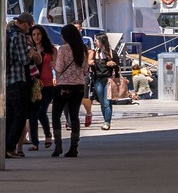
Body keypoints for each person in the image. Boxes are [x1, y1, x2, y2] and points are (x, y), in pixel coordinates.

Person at [51, 23, 88, 158]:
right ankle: (74, 147)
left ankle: (58, 146)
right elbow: (85, 69)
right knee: (74, 116)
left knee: (56, 115)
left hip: (64, 86)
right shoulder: (83, 48)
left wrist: (53, 64)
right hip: (78, 86)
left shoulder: (63, 49)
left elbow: (59, 68)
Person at [5, 11, 35, 159]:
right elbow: (24, 60)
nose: (29, 30)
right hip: (17, 80)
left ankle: (4, 146)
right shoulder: (20, 37)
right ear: (24, 24)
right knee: (20, 116)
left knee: (9, 116)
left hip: (5, 81)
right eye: (29, 27)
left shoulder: (7, 34)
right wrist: (31, 52)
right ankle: (10, 147)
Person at [27, 25, 57, 151]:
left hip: (48, 84)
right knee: (32, 114)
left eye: (38, 34)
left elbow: (56, 65)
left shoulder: (51, 49)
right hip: (33, 84)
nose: (36, 37)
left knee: (41, 111)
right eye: (33, 35)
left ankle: (48, 134)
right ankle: (34, 142)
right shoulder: (29, 49)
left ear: (43, 35)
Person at [89, 34, 120, 129]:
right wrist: (91, 64)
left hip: (108, 80)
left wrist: (113, 64)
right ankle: (105, 120)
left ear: (102, 41)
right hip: (98, 80)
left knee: (107, 102)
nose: (95, 42)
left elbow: (118, 66)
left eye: (96, 40)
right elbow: (92, 67)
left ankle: (107, 122)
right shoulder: (95, 53)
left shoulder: (112, 53)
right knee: (102, 102)